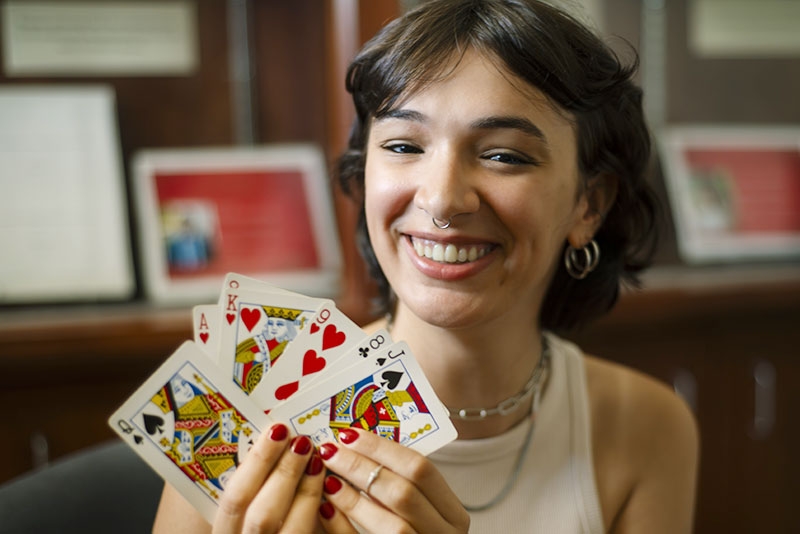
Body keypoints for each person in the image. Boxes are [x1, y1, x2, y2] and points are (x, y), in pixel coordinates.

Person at [153, 0, 699, 532]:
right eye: (403, 146)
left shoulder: (648, 426)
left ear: (590, 205)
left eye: (503, 155)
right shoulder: (235, 410)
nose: (441, 199)